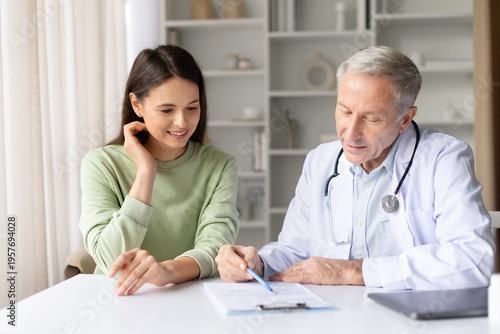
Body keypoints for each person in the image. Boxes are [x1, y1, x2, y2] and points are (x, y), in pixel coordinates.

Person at [216, 46, 495, 290]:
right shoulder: (321, 161)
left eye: (370, 118)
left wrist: (350, 271)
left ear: (405, 119)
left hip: (413, 316)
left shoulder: (443, 158)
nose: (350, 134)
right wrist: (257, 263)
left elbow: (473, 260)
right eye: (345, 111)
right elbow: (294, 250)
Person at [79, 45, 239, 296]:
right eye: (167, 110)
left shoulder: (219, 166)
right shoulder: (101, 165)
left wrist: (165, 272)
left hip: (191, 298)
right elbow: (111, 260)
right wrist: (145, 171)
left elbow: (216, 247)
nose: (182, 122)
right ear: (137, 105)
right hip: (118, 299)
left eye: (192, 108)